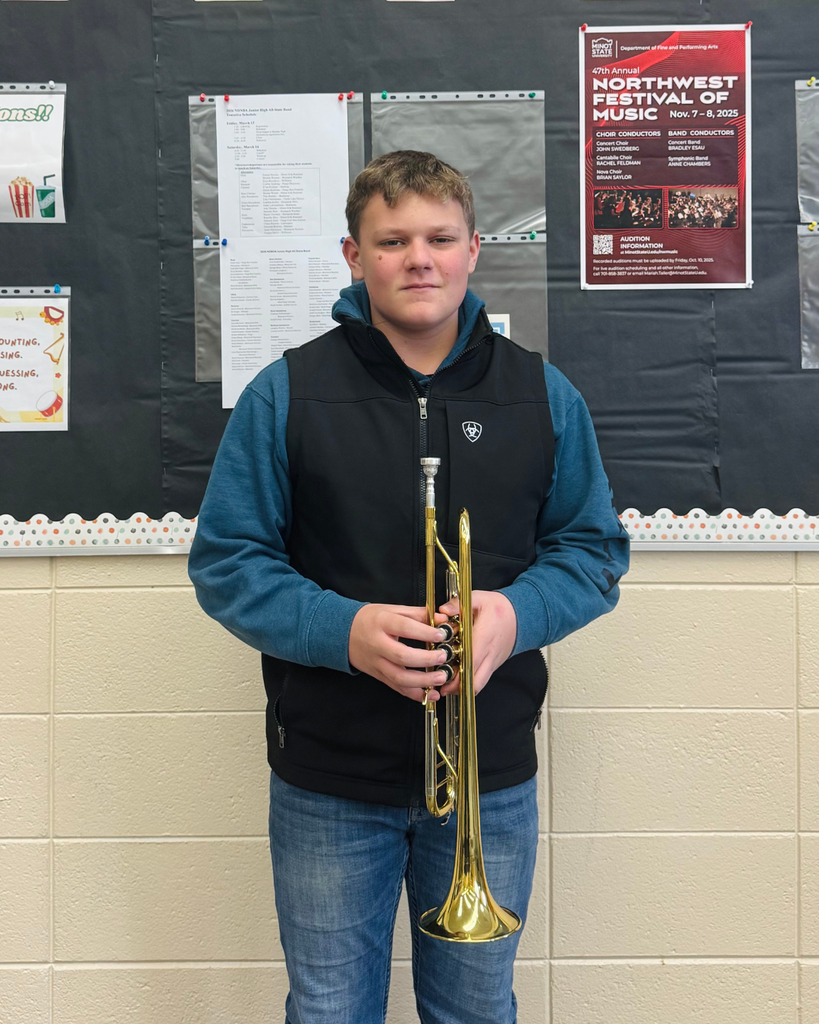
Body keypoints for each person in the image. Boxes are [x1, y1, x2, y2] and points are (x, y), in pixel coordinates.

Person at [188, 150, 629, 1024]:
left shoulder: (544, 394)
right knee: (326, 1010)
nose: (417, 259)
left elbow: (592, 550)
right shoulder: (286, 393)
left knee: (474, 1007)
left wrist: (514, 612)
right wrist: (342, 631)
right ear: (354, 256)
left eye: (439, 238)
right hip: (327, 781)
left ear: (473, 251)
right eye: (391, 241)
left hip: (487, 779)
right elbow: (227, 563)